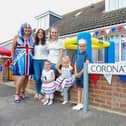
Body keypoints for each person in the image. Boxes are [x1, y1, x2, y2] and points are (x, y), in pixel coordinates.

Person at [11, 23, 34, 103]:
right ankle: (17, 94)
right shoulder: (17, 36)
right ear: (22, 29)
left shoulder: (32, 38)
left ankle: (22, 92)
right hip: (20, 60)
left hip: (29, 59)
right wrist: (12, 59)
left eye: (28, 28)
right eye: (25, 28)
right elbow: (13, 49)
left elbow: (33, 49)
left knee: (27, 76)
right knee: (22, 76)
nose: (27, 30)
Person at [72, 39, 89, 110]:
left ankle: (82, 103)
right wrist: (76, 72)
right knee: (78, 88)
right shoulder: (77, 54)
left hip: (83, 75)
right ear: (78, 46)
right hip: (77, 74)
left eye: (83, 46)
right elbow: (75, 64)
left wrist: (80, 73)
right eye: (80, 46)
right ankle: (78, 103)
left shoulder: (86, 55)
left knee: (82, 88)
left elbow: (87, 64)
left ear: (86, 46)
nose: (81, 47)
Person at [33, 28, 48, 100]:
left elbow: (49, 52)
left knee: (43, 77)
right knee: (37, 77)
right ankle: (37, 92)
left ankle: (42, 93)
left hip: (44, 61)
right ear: (37, 34)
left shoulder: (46, 43)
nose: (40, 33)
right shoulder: (34, 43)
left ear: (43, 34)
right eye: (39, 32)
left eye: (42, 32)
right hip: (35, 60)